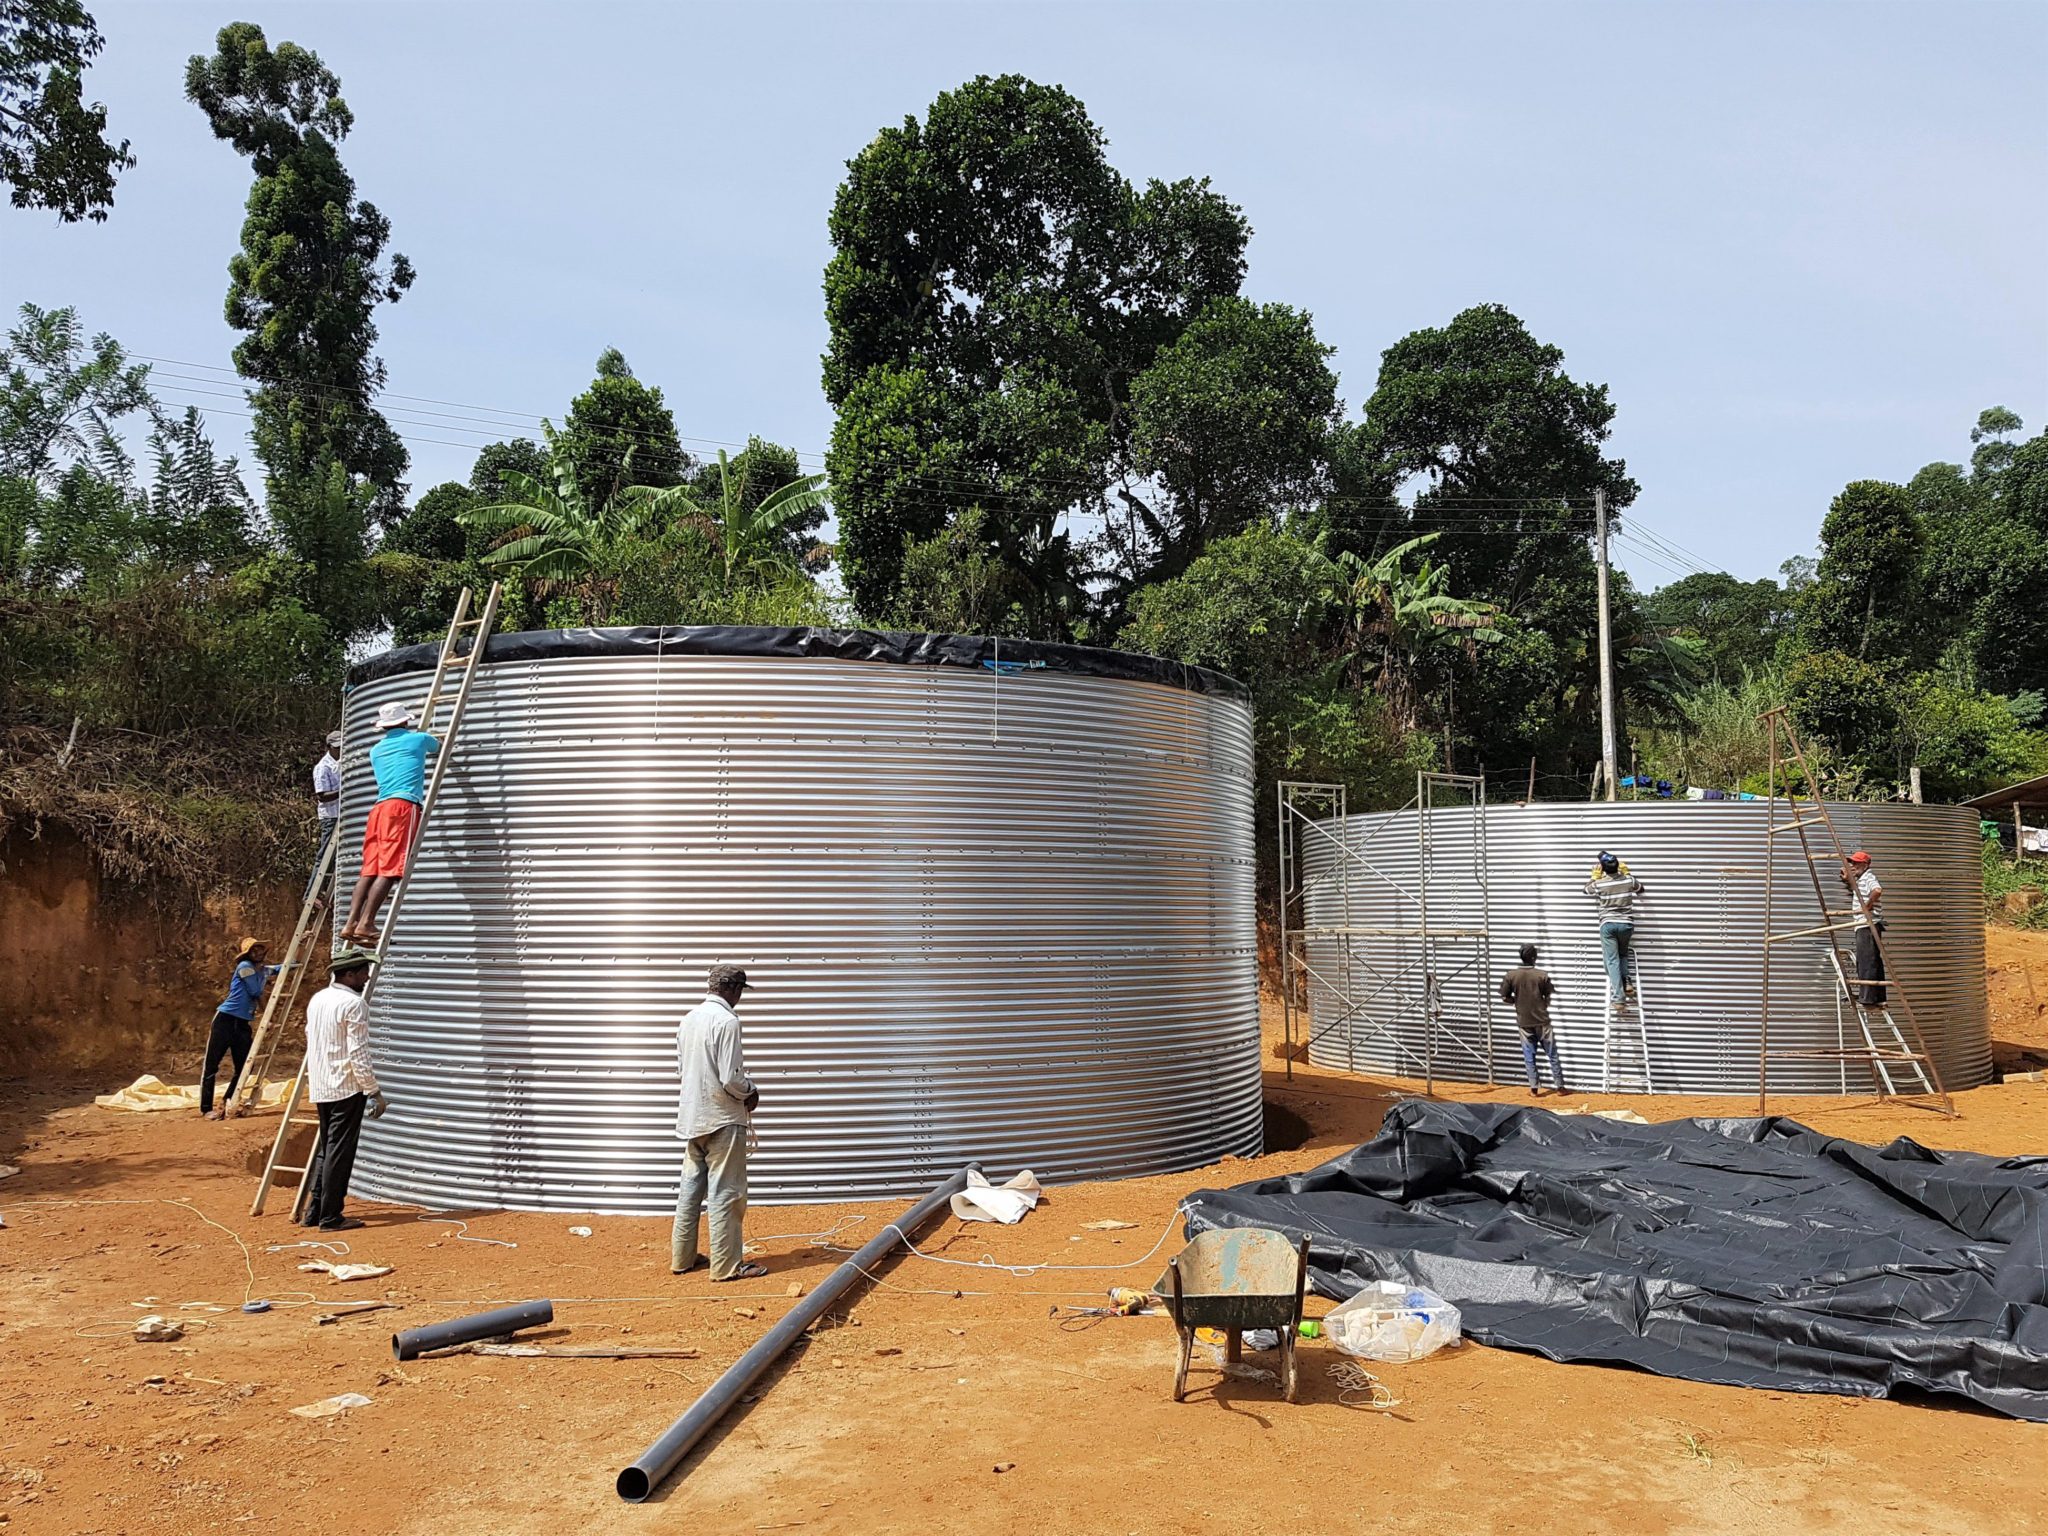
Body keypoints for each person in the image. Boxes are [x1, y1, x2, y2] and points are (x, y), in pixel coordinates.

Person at [673, 963, 763, 1282]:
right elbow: (731, 1078)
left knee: (690, 1191)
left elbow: (683, 1070)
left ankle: (682, 1259)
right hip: (723, 1120)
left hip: (692, 1118)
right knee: (727, 1191)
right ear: (734, 990)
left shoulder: (688, 1020)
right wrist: (750, 1092)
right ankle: (726, 1266)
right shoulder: (727, 1021)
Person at [299, 947, 388, 1232]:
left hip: (322, 1085)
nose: (366, 977)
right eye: (363, 972)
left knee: (328, 1148)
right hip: (346, 1088)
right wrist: (373, 1091)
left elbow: (311, 1039)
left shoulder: (318, 999)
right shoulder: (354, 1004)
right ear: (349, 974)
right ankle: (331, 1217)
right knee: (340, 1152)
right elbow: (358, 1053)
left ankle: (314, 1211)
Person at [338, 702, 439, 947]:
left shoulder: (376, 750)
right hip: (402, 807)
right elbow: (437, 747)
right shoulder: (419, 740)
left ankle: (351, 923)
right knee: (391, 868)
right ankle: (367, 923)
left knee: (370, 869)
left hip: (378, 810)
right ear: (405, 721)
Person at [200, 937, 280, 1120]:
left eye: (260, 949)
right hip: (225, 1020)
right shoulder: (245, 967)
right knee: (212, 1065)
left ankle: (227, 1100)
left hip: (242, 1024)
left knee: (245, 1066)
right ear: (248, 954)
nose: (258, 952)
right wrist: (270, 1019)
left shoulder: (264, 970)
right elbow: (255, 992)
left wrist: (301, 944)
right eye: (254, 950)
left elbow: (287, 966)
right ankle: (206, 1109)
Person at [1583, 851, 1646, 1009]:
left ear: (1603, 869)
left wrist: (1594, 876)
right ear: (1619, 866)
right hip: (1626, 925)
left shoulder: (1600, 883)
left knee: (1611, 961)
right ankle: (1627, 983)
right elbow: (1641, 889)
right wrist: (1628, 873)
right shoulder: (1628, 880)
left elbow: (1585, 890)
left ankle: (1618, 999)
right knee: (1622, 954)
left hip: (1608, 925)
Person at [1500, 943, 1566, 1095]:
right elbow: (1549, 995)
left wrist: (1516, 1002)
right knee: (1552, 1054)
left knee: (1529, 1056)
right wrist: (1543, 1004)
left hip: (1524, 1022)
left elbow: (1504, 997)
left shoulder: (1511, 975)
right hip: (1543, 1022)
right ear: (1534, 957)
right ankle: (1560, 1087)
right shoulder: (1542, 975)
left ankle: (1534, 1088)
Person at [1841, 849, 1887, 1008]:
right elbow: (1859, 889)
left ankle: (1867, 998)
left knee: (1866, 961)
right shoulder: (1862, 879)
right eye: (1852, 862)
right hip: (1867, 924)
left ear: (1866, 864)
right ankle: (1878, 996)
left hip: (1867, 924)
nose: (1853, 865)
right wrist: (1848, 880)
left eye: (1857, 863)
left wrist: (1868, 905)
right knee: (1874, 961)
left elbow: (1877, 890)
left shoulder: (1868, 877)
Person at [306, 730, 343, 909]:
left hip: (342, 814)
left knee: (336, 858)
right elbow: (322, 796)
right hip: (330, 816)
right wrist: (344, 790)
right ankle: (309, 895)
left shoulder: (342, 762)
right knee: (324, 857)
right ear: (329, 747)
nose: (340, 750)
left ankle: (321, 892)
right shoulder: (323, 767)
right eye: (337, 748)